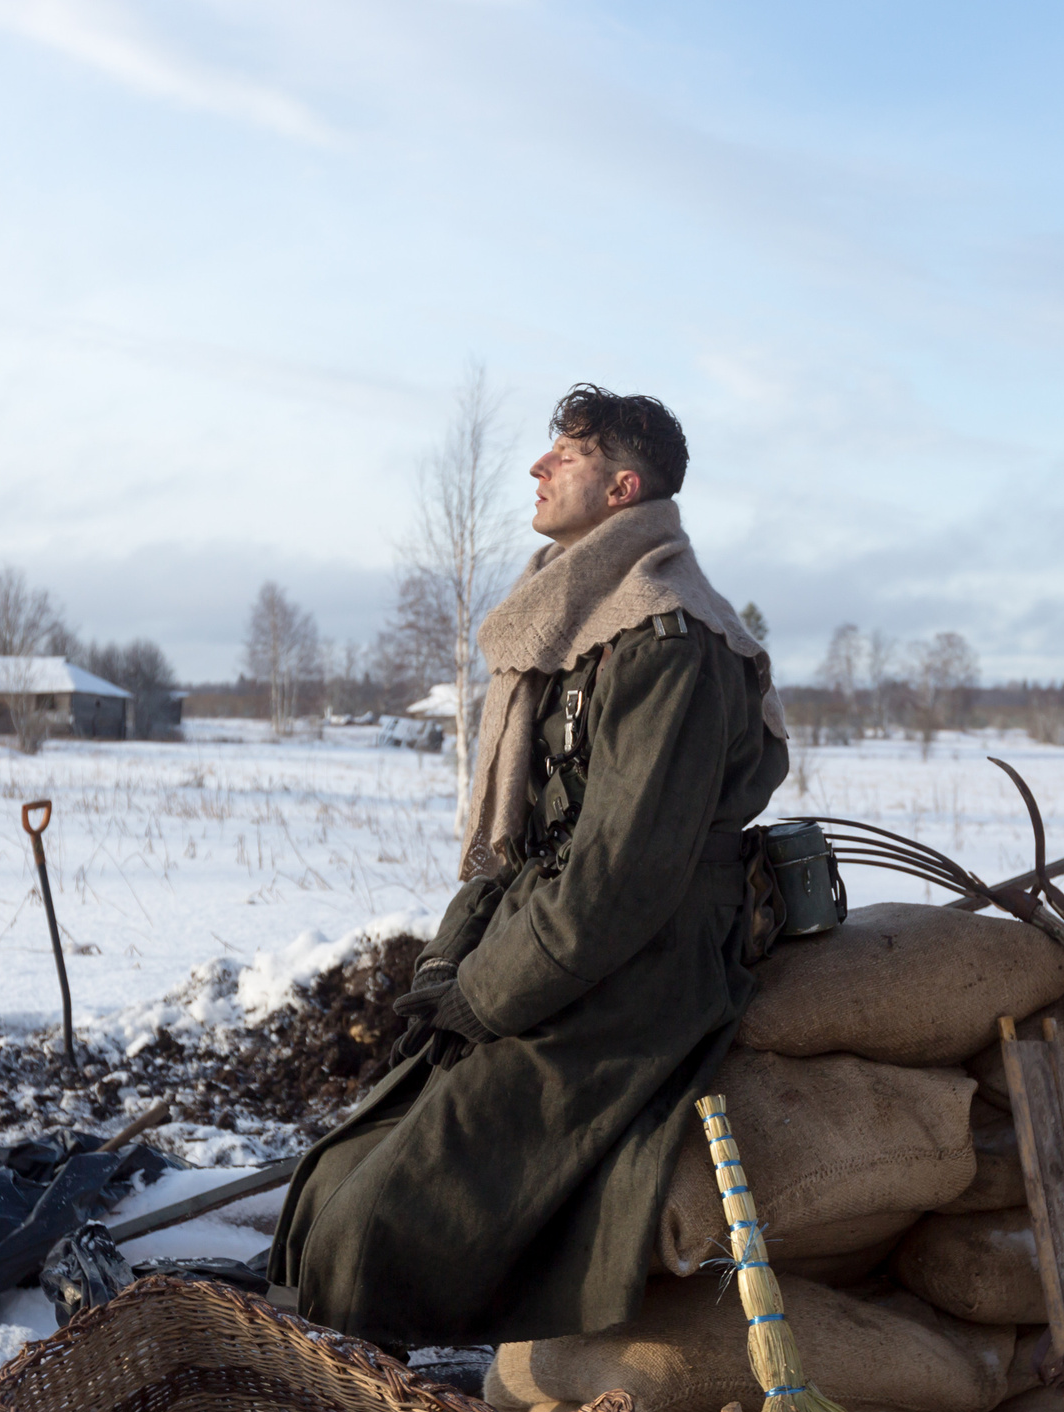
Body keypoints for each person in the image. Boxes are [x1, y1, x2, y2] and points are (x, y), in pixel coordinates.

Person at [267, 384, 789, 1349]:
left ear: (624, 489)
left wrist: (490, 993)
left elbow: (621, 878)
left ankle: (363, 1405)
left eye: (568, 454)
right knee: (334, 1177)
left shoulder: (669, 640)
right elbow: (528, 841)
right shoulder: (576, 625)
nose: (539, 468)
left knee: (376, 1224)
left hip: (640, 971)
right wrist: (450, 957)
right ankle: (326, 1378)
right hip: (561, 947)